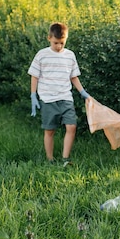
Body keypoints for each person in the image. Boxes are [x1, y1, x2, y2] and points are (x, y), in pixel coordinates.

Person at [28, 22, 91, 167]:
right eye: (56, 43)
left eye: (62, 43)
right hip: (48, 99)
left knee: (71, 127)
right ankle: (50, 159)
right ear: (49, 38)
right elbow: (34, 76)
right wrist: (33, 95)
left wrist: (82, 92)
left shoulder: (70, 56)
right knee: (50, 130)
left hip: (65, 97)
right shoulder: (42, 55)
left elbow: (73, 76)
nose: (59, 46)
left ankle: (65, 158)